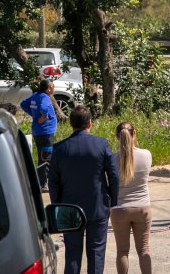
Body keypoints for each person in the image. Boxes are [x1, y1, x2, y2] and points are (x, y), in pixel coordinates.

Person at [49, 105, 119, 274]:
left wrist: (57, 206)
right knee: (96, 252)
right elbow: (114, 175)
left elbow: (53, 183)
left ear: (71, 124)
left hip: (69, 209)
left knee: (72, 254)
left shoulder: (59, 149)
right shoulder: (101, 144)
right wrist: (113, 200)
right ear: (90, 123)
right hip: (97, 205)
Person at [110, 122, 153, 274]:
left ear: (117, 137)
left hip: (119, 208)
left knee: (122, 251)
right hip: (142, 207)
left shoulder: (112, 160)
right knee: (144, 249)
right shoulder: (146, 155)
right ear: (134, 133)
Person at [20, 79, 58, 172]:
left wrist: (33, 114)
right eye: (53, 86)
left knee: (42, 156)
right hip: (46, 132)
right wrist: (44, 117)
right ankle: (44, 182)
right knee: (46, 158)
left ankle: (41, 181)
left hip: (38, 131)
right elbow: (43, 107)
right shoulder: (45, 97)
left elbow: (23, 104)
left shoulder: (35, 95)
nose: (54, 88)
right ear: (48, 89)